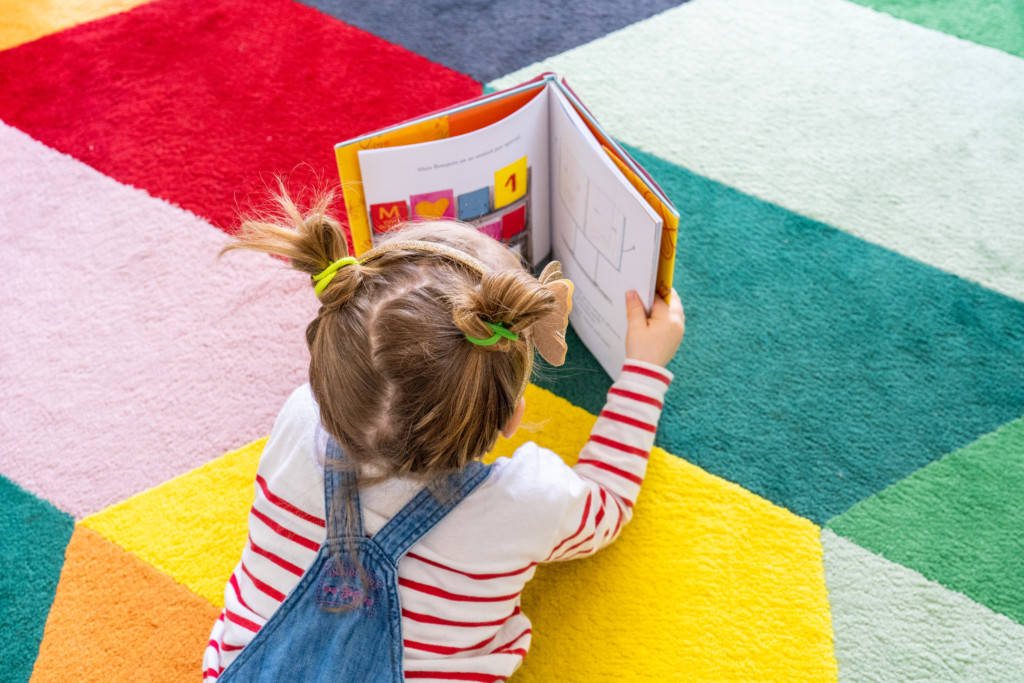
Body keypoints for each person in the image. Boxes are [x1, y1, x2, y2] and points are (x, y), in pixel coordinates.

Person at [203, 188, 685, 682]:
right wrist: (643, 369)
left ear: (327, 377)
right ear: (512, 417)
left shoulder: (298, 420)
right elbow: (609, 507)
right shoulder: (531, 502)